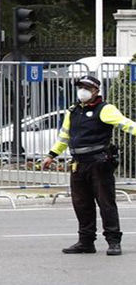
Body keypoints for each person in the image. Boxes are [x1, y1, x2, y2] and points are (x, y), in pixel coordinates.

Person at [45, 74, 136, 256]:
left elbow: (125, 124)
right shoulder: (73, 111)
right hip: (78, 163)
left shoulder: (105, 109)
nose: (82, 91)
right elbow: (64, 136)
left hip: (99, 162)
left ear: (96, 90)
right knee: (82, 204)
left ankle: (113, 241)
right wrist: (51, 155)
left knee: (106, 203)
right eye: (81, 87)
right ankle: (86, 242)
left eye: (87, 88)